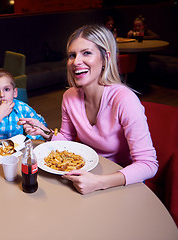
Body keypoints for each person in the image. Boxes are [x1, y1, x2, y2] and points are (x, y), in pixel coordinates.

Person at [19, 25, 158, 195]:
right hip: (86, 175)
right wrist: (45, 132)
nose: (76, 62)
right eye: (72, 55)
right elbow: (67, 141)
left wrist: (99, 182)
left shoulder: (125, 100)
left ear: (105, 58)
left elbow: (148, 164)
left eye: (86, 53)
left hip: (120, 181)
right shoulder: (69, 96)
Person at [0, 69, 47, 143]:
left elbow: (42, 125)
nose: (2, 95)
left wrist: (28, 139)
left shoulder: (23, 108)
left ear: (14, 92)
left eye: (6, 89)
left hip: (19, 149)